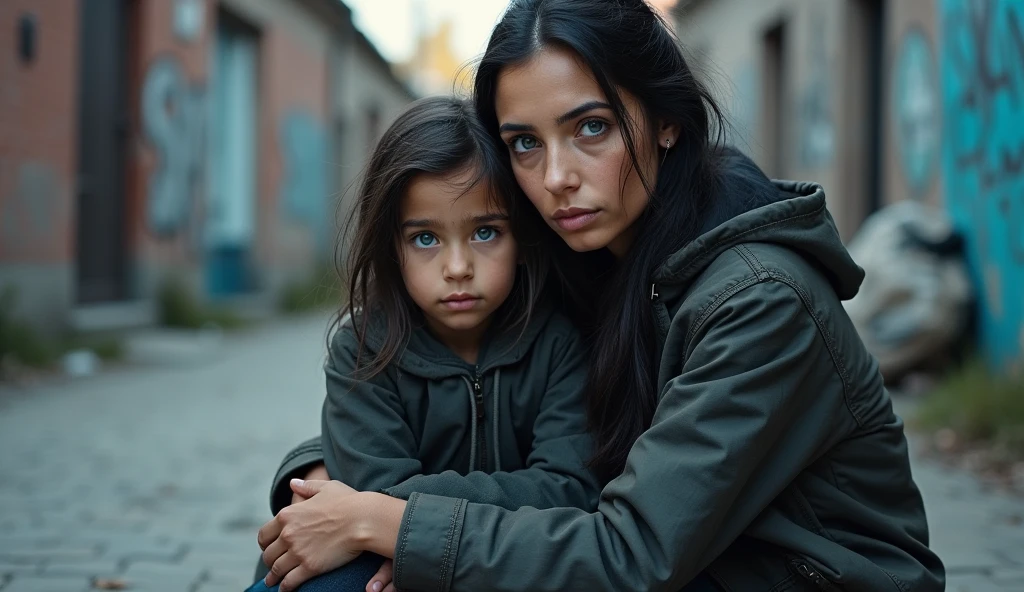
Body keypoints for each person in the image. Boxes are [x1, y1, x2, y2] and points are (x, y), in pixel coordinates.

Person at [257, 1, 946, 590]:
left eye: (592, 128)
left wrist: (386, 517)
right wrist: (321, 475)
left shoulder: (759, 301)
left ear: (667, 120)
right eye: (525, 143)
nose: (557, 176)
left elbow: (631, 556)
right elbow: (461, 402)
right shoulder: (597, 258)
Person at [249, 96, 601, 592]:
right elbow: (369, 493)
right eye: (426, 239)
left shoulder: (560, 343)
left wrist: (399, 515)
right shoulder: (363, 349)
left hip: (504, 556)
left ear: (522, 238)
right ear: (393, 249)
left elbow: (570, 489)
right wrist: (382, 512)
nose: (458, 267)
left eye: (485, 232)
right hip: (378, 563)